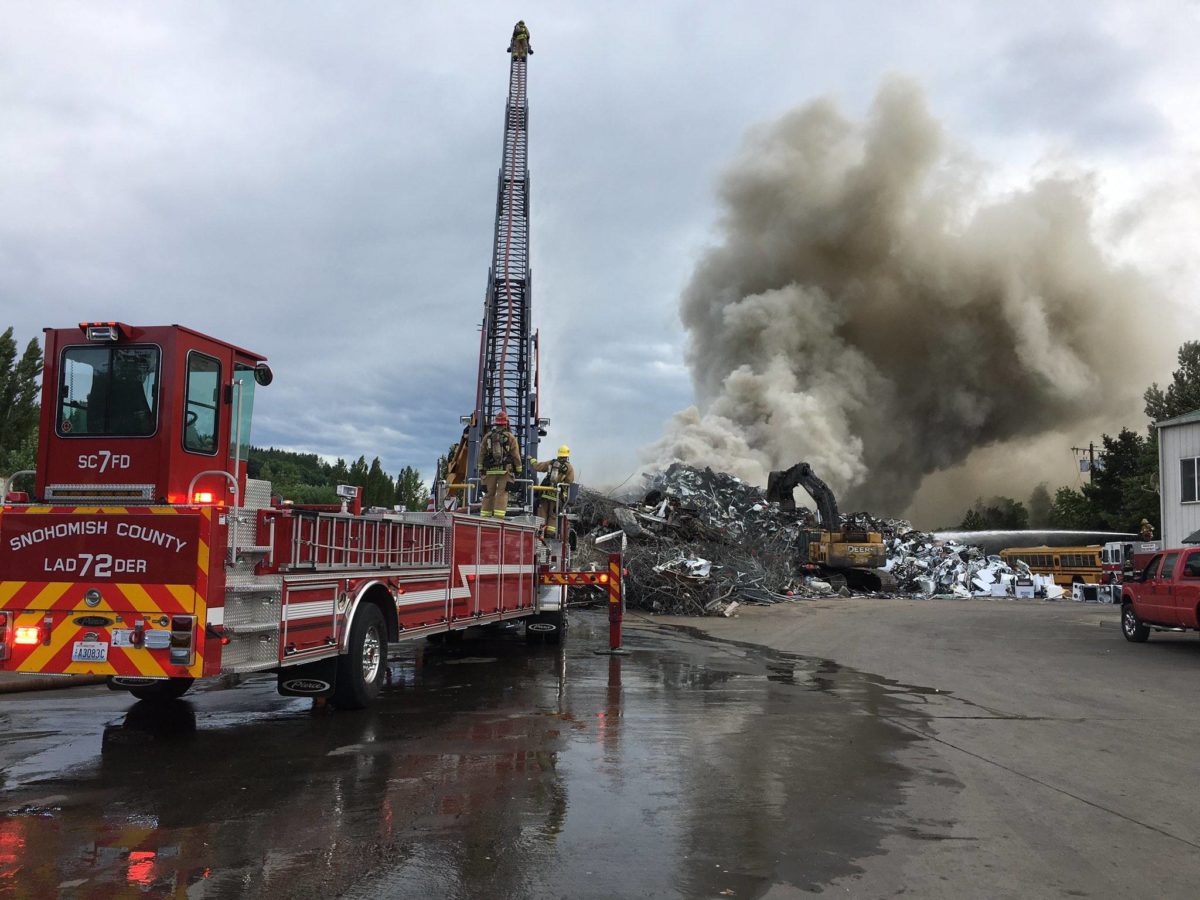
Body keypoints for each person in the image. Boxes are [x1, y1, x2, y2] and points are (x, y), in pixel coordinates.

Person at [479, 410, 522, 518]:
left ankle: (485, 517)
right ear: (506, 423)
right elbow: (516, 456)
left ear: (496, 423)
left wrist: (481, 469)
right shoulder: (510, 437)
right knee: (502, 493)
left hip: (490, 470)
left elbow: (481, 454)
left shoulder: (487, 437)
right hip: (505, 470)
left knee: (489, 494)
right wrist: (519, 470)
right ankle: (498, 518)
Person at [532, 445, 575, 536]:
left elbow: (537, 467)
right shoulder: (569, 468)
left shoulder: (551, 463)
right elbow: (569, 481)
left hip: (545, 492)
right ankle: (550, 535)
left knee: (542, 512)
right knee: (553, 515)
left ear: (558, 454)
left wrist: (532, 460)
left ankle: (540, 532)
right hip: (557, 495)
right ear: (567, 455)